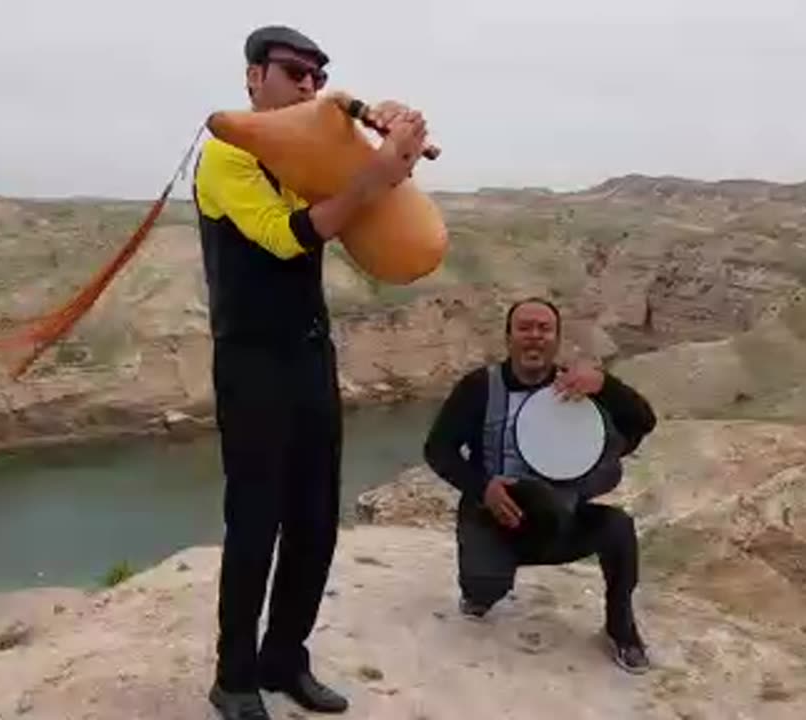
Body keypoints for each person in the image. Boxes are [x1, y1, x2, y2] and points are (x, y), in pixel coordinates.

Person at [194, 25, 430, 720]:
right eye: (293, 71)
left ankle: (284, 659)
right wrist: (376, 174)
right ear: (252, 78)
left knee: (316, 520)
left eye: (317, 78)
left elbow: (364, 212)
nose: (306, 86)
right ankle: (234, 678)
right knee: (255, 522)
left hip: (309, 355)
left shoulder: (307, 153)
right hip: (251, 361)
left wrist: (393, 149)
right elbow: (289, 236)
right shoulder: (226, 155)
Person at [423, 297, 658, 674]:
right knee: (482, 593)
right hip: (494, 517)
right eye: (525, 328)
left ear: (557, 339)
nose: (535, 337)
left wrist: (605, 385)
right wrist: (482, 487)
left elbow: (643, 421)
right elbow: (438, 449)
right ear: (509, 337)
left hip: (558, 519)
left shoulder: (577, 389)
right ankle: (482, 587)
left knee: (617, 527)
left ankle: (621, 628)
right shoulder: (480, 387)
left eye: (544, 329)